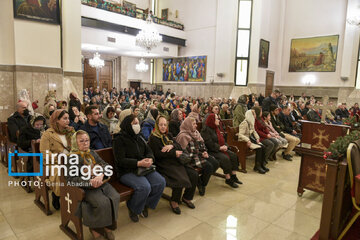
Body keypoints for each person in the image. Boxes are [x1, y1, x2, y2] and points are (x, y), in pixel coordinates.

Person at [67, 130, 120, 240]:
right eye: (81, 141)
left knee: (115, 197)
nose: (85, 143)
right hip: (86, 188)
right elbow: (72, 179)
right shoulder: (72, 158)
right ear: (75, 143)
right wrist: (89, 182)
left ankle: (107, 226)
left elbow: (105, 165)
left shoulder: (92, 153)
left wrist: (101, 174)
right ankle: (95, 229)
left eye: (87, 140)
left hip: (101, 183)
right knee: (101, 202)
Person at [113, 115, 166, 222]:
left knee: (161, 182)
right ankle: (134, 208)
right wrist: (138, 163)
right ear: (128, 125)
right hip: (127, 171)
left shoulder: (139, 136)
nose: (137, 125)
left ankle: (145, 204)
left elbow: (148, 150)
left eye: (138, 123)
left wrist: (150, 159)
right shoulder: (119, 139)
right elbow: (121, 160)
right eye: (134, 123)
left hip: (143, 167)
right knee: (144, 187)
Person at [148, 116, 198, 215]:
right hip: (164, 164)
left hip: (175, 161)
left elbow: (179, 146)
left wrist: (172, 146)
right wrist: (173, 153)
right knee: (179, 179)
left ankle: (186, 197)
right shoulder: (153, 138)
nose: (163, 127)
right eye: (161, 125)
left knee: (194, 175)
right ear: (157, 126)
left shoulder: (169, 135)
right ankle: (174, 201)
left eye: (165, 125)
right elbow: (157, 155)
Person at [40, 110, 75, 210]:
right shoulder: (47, 134)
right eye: (65, 118)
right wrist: (58, 157)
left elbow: (77, 146)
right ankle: (57, 194)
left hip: (70, 159)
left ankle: (77, 193)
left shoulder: (70, 131)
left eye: (68, 118)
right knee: (60, 172)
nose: (68, 121)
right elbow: (44, 152)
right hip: (54, 163)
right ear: (57, 120)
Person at [176, 117, 218, 195]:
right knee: (208, 166)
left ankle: (200, 182)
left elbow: (202, 144)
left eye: (196, 123)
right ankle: (203, 185)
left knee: (215, 163)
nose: (196, 125)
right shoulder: (183, 136)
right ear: (188, 125)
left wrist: (205, 151)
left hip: (199, 154)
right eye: (194, 124)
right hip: (190, 158)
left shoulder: (196, 133)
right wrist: (201, 153)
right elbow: (186, 153)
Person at [201, 114, 242, 188]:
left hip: (220, 148)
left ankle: (234, 176)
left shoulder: (216, 128)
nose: (218, 120)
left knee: (233, 155)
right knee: (224, 158)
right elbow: (208, 143)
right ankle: (228, 178)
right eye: (217, 119)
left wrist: (226, 146)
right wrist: (220, 148)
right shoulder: (205, 130)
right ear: (212, 120)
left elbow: (222, 139)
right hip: (212, 150)